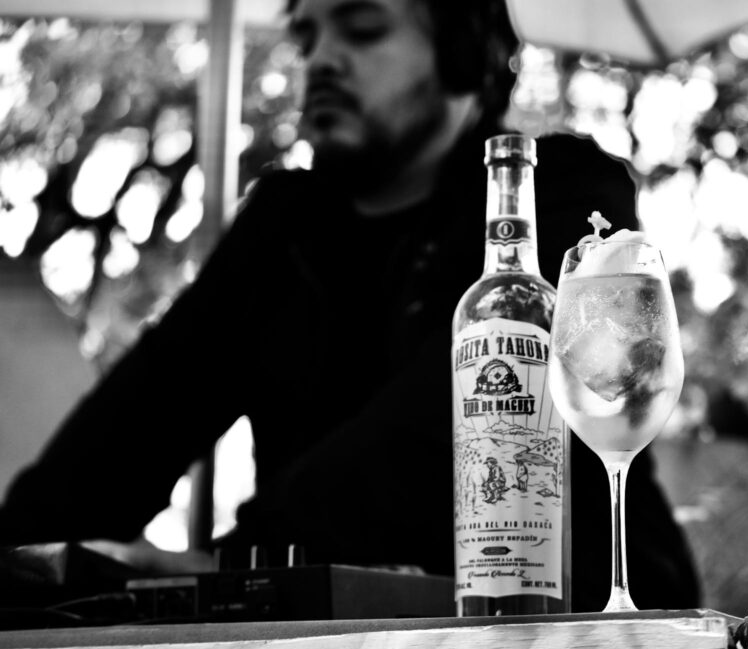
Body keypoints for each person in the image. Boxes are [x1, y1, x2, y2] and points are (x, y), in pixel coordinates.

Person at [0, 0, 700, 611]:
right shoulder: (281, 228)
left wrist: (240, 562)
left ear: (464, 47)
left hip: (584, 629)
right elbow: (122, 437)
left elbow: (430, 437)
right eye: (307, 39)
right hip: (331, 643)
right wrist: (27, 561)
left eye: (362, 28)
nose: (323, 59)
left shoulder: (556, 191)